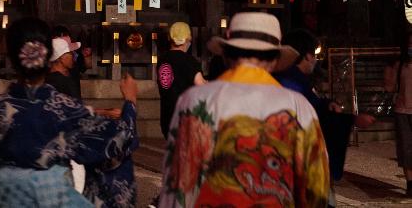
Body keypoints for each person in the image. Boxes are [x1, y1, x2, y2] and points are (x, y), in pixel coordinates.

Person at [0, 16, 139, 207]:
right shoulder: (64, 109)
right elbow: (120, 137)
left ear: (12, 57)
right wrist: (130, 101)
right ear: (48, 56)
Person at [158, 12, 330, 207]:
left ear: (226, 56)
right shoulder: (299, 108)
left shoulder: (195, 101)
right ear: (275, 60)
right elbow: (316, 187)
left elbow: (177, 184)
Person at [276, 28, 376, 188]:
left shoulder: (290, 78)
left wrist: (326, 104)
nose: (315, 60)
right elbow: (314, 115)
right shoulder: (292, 83)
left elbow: (313, 104)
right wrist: (352, 119)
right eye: (314, 55)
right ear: (308, 56)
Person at [156, 22, 206, 140]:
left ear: (170, 38)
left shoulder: (162, 60)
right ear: (188, 38)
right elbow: (200, 84)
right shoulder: (189, 61)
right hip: (186, 116)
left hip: (167, 116)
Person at [384, 30, 412, 197]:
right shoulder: (400, 64)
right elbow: (390, 87)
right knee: (406, 149)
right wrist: (389, 72)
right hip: (403, 110)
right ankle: (410, 184)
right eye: (409, 43)